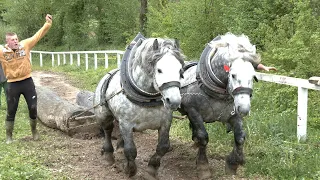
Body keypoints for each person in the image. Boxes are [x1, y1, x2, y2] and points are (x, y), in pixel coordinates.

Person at [0, 14, 52, 144]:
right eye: (13, 40)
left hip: (27, 82)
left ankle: (34, 132)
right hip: (12, 85)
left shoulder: (25, 45)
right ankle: (9, 136)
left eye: (16, 39)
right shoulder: (2, 52)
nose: (16, 41)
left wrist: (48, 24)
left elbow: (37, 35)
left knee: (33, 107)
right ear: (8, 42)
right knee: (11, 110)